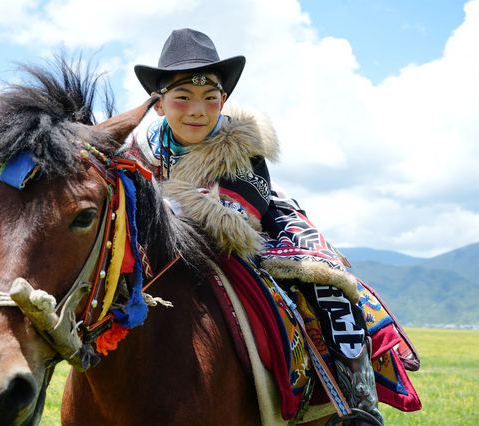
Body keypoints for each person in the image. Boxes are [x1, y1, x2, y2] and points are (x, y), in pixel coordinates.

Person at [126, 28, 383, 425]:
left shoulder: (242, 145)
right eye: (182, 98)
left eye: (210, 99)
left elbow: (237, 219)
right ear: (159, 105)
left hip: (256, 230)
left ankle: (355, 397)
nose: (197, 111)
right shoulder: (138, 151)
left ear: (223, 101)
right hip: (161, 242)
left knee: (327, 284)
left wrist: (164, 208)